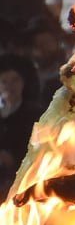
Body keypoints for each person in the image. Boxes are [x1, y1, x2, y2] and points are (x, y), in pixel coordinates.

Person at [0, 54, 41, 197]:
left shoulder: (35, 114)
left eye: (14, 81)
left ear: (23, 83)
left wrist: (14, 157)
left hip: (24, 180)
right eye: (4, 81)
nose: (9, 86)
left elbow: (39, 148)